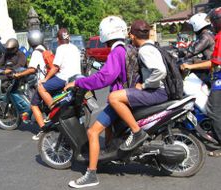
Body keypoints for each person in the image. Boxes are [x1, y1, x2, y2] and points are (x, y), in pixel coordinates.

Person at [66, 16, 129, 188]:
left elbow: (104, 78)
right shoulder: (123, 49)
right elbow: (110, 73)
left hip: (119, 100)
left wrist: (79, 83)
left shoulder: (116, 52)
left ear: (105, 34)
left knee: (93, 132)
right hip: (122, 97)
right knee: (107, 125)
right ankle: (109, 154)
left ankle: (91, 174)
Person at [108, 20, 168, 151]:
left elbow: (160, 71)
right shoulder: (154, 46)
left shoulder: (144, 51)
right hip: (160, 90)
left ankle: (137, 132)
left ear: (133, 36)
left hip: (157, 92)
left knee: (113, 97)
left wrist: (145, 85)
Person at [180, 7, 221, 157]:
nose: (212, 24)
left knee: (213, 109)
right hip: (216, 74)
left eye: (214, 21)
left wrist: (190, 65)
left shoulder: (213, 37)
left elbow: (213, 63)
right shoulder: (216, 36)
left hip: (218, 76)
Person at [32, 28, 81, 141]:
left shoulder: (60, 48)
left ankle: (53, 111)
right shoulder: (74, 47)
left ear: (58, 40)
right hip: (76, 77)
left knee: (41, 88)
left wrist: (45, 79)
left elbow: (55, 67)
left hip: (64, 78)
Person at [11, 30, 48, 127]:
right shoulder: (44, 48)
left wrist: (19, 75)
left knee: (33, 104)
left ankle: (43, 129)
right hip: (48, 78)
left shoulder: (36, 52)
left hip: (42, 81)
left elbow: (32, 69)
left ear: (31, 41)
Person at [181, 13, 215, 84]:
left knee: (190, 79)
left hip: (211, 69)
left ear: (196, 24)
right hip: (210, 66)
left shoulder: (205, 36)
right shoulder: (209, 33)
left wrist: (180, 52)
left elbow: (193, 51)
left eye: (192, 25)